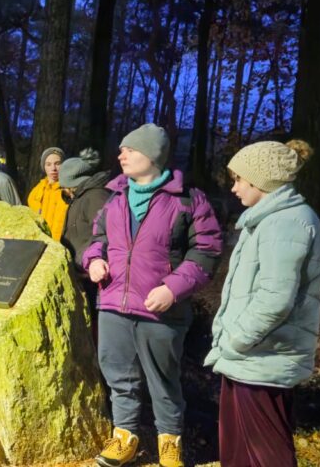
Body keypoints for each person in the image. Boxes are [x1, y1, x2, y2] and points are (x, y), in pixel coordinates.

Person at [82, 124, 222, 467]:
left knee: (163, 379)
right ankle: (124, 437)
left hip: (161, 309)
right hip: (114, 302)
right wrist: (95, 260)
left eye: (129, 150)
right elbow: (97, 238)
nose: (121, 155)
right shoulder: (114, 197)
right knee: (118, 375)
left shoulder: (188, 199)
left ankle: (169, 442)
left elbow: (206, 250)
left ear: (152, 156)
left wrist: (173, 288)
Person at [205, 140, 320, 467]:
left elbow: (275, 299)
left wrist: (236, 340)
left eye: (238, 180)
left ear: (260, 181)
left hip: (261, 357)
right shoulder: (268, 219)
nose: (233, 189)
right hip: (252, 358)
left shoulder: (285, 222)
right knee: (240, 450)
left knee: (263, 453)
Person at [59, 148, 111, 315]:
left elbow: (105, 234)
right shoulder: (81, 197)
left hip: (91, 275)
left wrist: (91, 265)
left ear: (73, 184)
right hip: (80, 269)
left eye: (64, 186)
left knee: (92, 320)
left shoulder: (95, 197)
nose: (63, 191)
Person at [27, 147, 69, 241]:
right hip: (40, 244)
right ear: (44, 167)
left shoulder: (70, 191)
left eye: (57, 163)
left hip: (63, 246)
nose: (53, 168)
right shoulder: (35, 192)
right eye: (48, 164)